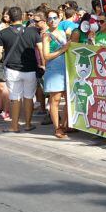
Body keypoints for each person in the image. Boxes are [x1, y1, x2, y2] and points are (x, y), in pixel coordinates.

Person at [0, 7, 43, 133]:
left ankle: (14, 126)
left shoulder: (3, 33)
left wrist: (2, 61)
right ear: (22, 17)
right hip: (30, 69)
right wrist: (42, 64)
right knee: (29, 97)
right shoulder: (32, 31)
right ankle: (28, 125)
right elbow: (41, 48)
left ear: (9, 18)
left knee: (15, 98)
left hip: (12, 70)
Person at [41, 10, 70, 139]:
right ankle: (57, 128)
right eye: (50, 18)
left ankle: (65, 125)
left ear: (59, 19)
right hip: (54, 70)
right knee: (55, 99)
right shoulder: (46, 36)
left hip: (66, 69)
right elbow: (46, 56)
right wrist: (62, 50)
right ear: (47, 21)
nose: (52, 20)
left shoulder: (63, 32)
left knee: (68, 99)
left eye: (54, 18)